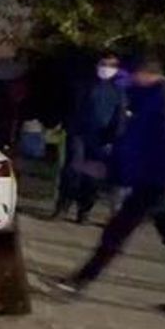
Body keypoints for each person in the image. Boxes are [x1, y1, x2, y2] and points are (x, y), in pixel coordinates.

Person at [57, 56, 165, 315]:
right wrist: (110, 168)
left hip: (161, 183)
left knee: (117, 232)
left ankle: (79, 281)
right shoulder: (149, 99)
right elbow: (135, 142)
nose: (125, 81)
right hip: (154, 180)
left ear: (144, 73)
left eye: (128, 76)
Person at [50, 54, 125, 223]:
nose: (107, 68)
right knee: (72, 171)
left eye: (112, 65)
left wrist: (113, 137)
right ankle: (63, 206)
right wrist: (67, 125)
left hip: (101, 139)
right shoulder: (84, 85)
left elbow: (119, 116)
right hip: (79, 134)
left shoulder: (117, 91)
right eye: (104, 63)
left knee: (92, 178)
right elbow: (70, 106)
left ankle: (84, 211)